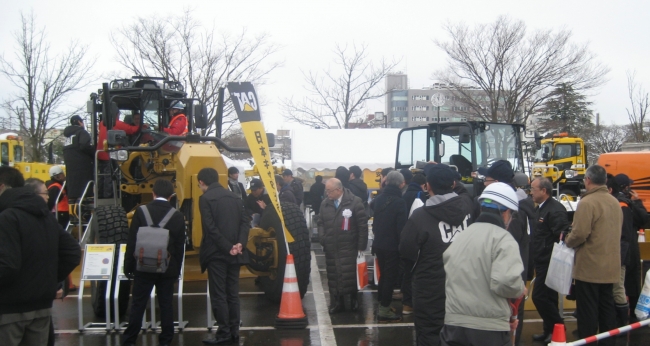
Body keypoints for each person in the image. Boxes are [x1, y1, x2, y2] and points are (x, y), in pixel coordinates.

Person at [0, 167, 81, 346]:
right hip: (42, 307)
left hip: (9, 309)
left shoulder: (7, 217)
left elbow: (8, 265)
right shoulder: (45, 217)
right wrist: (49, 280)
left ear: (2, 187)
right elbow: (72, 252)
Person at [440, 182, 527, 346]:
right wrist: (520, 288)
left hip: (453, 326)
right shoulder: (503, 239)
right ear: (506, 213)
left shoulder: (462, 236)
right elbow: (505, 282)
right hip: (488, 331)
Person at [399, 164, 474, 346]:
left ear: (427, 186)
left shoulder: (420, 216)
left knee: (429, 336)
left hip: (430, 289)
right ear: (454, 183)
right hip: (465, 286)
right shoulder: (469, 208)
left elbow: (406, 252)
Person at [121, 180, 185, 346]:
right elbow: (179, 246)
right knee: (165, 305)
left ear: (153, 193)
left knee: (138, 304)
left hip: (143, 266)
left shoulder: (141, 212)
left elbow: (132, 241)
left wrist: (128, 266)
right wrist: (176, 270)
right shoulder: (177, 216)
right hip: (166, 268)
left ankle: (129, 340)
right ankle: (165, 340)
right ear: (171, 197)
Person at [565, 165, 622, 346]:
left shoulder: (588, 202)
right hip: (611, 265)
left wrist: (567, 240)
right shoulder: (614, 202)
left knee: (587, 311)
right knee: (607, 309)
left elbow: (580, 233)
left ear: (588, 180)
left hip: (590, 266)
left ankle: (587, 342)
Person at [198, 168, 249, 345]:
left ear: (202, 182)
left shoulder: (205, 199)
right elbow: (245, 222)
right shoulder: (235, 197)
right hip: (236, 252)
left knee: (219, 294)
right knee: (233, 293)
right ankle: (234, 330)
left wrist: (228, 247)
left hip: (217, 253)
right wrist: (240, 244)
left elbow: (210, 228)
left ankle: (224, 332)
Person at [528, 177, 571, 343]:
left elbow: (560, 235)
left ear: (544, 191)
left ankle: (558, 326)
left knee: (539, 297)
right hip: (541, 259)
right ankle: (550, 331)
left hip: (550, 261)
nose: (531, 192)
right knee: (550, 297)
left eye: (533, 189)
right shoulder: (541, 208)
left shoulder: (555, 210)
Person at [317, 178, 368, 314]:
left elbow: (362, 225)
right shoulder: (325, 204)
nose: (327, 194)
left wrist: (361, 246)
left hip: (349, 246)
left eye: (329, 191)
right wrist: (323, 238)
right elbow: (320, 222)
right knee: (333, 275)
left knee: (350, 274)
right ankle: (337, 302)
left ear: (338, 190)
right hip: (331, 246)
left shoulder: (354, 202)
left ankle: (354, 300)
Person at [607, 173, 649, 326]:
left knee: (624, 286)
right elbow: (643, 220)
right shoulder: (624, 204)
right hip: (627, 250)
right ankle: (625, 320)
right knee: (624, 286)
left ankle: (626, 319)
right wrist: (637, 202)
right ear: (625, 187)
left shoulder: (623, 203)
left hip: (625, 250)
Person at [372, 171, 407, 322]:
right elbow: (402, 228)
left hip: (379, 243)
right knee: (389, 277)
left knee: (383, 276)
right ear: (401, 184)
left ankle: (382, 304)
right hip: (392, 246)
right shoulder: (400, 202)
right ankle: (385, 309)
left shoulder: (378, 199)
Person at [97, 111, 140, 198]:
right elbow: (132, 130)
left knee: (101, 177)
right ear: (116, 114)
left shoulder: (102, 123)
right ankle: (108, 197)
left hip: (100, 154)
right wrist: (144, 126)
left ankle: (100, 195)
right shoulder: (116, 123)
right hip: (109, 154)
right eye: (119, 115)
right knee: (109, 177)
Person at [63, 115, 94, 200]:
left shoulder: (67, 137)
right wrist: (94, 153)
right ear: (80, 122)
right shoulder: (82, 132)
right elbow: (85, 146)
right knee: (86, 192)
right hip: (83, 170)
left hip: (71, 173)